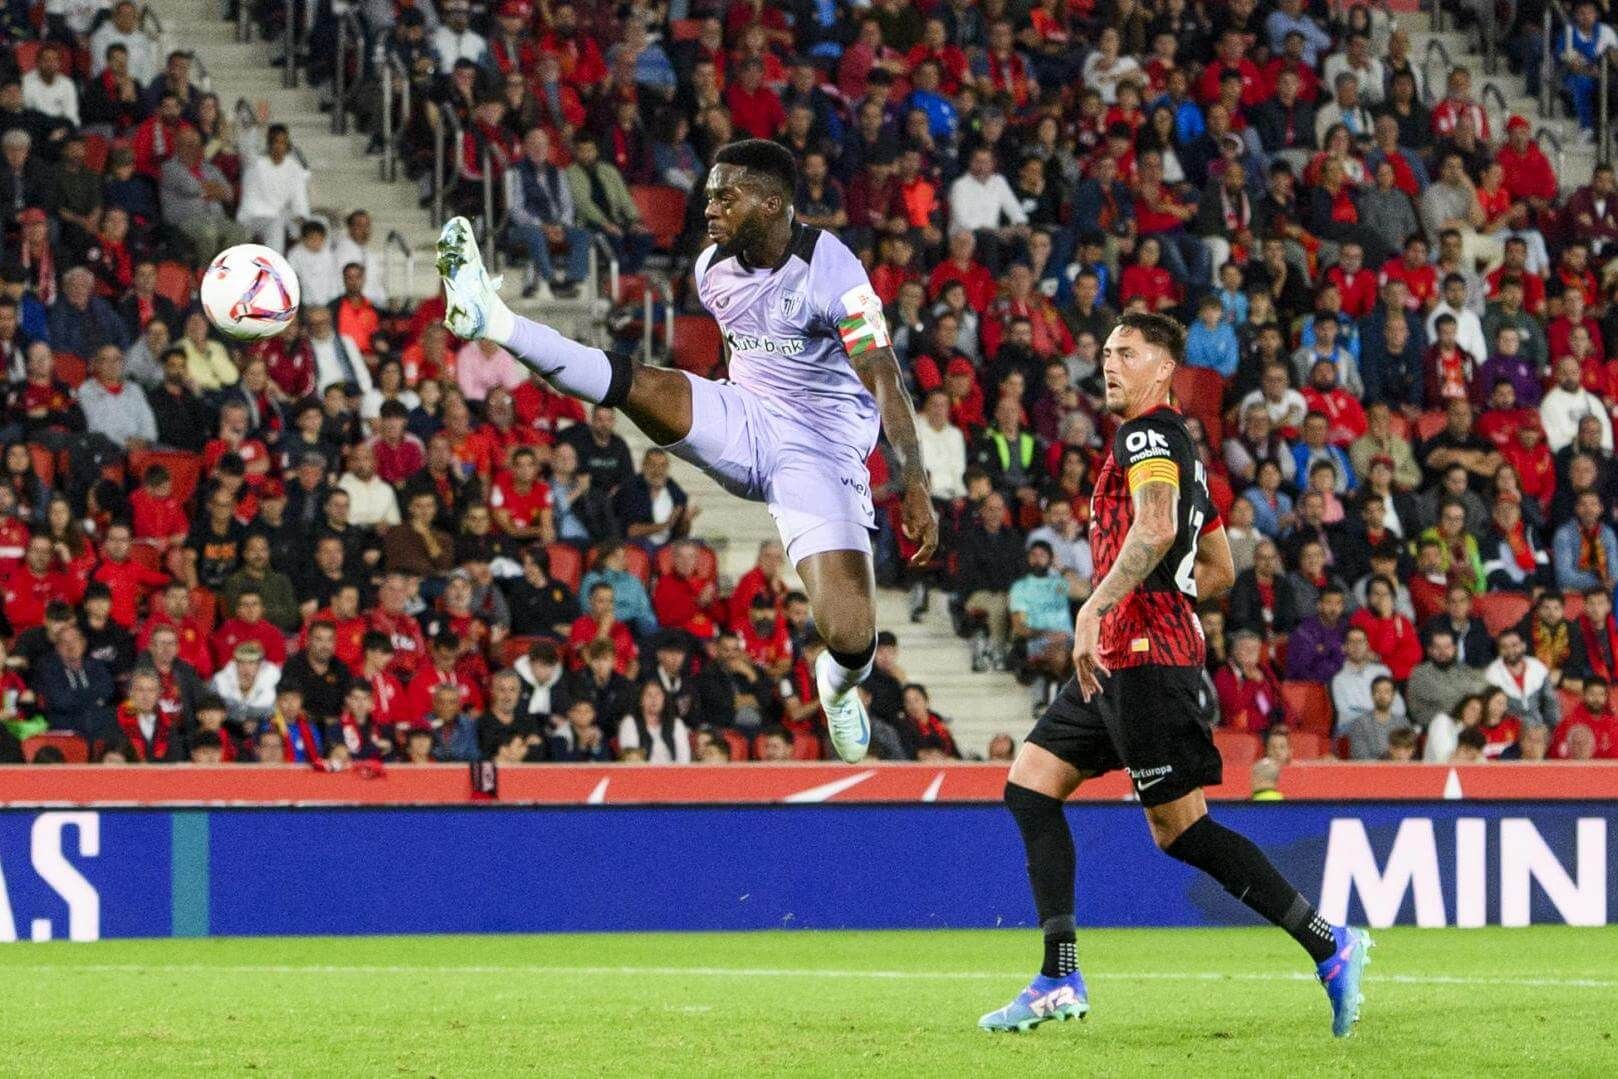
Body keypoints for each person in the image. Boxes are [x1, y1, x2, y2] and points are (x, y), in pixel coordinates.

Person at [438, 139, 939, 765]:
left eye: (726, 195)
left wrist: (913, 481)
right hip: (748, 419)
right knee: (634, 382)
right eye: (708, 195)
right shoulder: (711, 269)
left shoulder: (832, 269)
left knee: (851, 635)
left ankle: (837, 688)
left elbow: (885, 374)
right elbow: (745, 351)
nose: (711, 206)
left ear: (772, 202)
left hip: (823, 451)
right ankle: (494, 319)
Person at [981, 312, 1370, 1037]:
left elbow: (1157, 528)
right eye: (1104, 352)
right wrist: (1158, 601)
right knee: (1031, 785)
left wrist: (1099, 606)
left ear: (1164, 368)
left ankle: (1330, 943)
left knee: (1181, 832)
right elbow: (1217, 566)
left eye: (1127, 352)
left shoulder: (1149, 434)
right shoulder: (1173, 447)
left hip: (1146, 662)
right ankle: (1058, 974)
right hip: (1124, 658)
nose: (1109, 363)